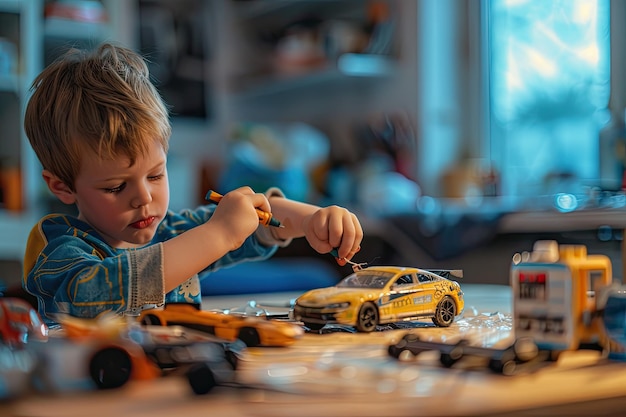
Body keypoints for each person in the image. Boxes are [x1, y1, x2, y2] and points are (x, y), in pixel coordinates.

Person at [21, 42, 363, 326]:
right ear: (63, 186)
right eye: (115, 187)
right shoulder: (62, 253)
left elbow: (257, 222)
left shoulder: (171, 231)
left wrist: (311, 219)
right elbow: (91, 295)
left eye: (155, 175)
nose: (144, 198)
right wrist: (218, 234)